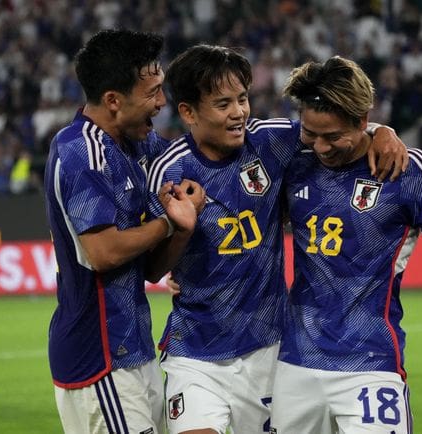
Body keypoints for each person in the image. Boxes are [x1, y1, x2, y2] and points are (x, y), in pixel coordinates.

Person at [146, 44, 408, 434]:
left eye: (242, 99)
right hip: (195, 351)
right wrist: (181, 231)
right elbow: (153, 270)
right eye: (222, 104)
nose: (238, 112)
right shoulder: (170, 171)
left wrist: (380, 130)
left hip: (269, 350)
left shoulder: (272, 142)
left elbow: (337, 126)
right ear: (188, 112)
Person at [270, 56, 422, 433]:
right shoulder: (293, 156)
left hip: (370, 363)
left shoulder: (406, 170)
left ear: (363, 120)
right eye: (310, 133)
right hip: (294, 362)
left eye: (332, 136)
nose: (319, 146)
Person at [43, 29, 203, 434]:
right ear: (113, 101)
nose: (162, 103)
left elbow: (148, 269)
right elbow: (105, 252)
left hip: (135, 352)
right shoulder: (81, 153)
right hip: (99, 359)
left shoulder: (135, 145)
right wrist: (167, 223)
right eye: (152, 93)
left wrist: (373, 132)